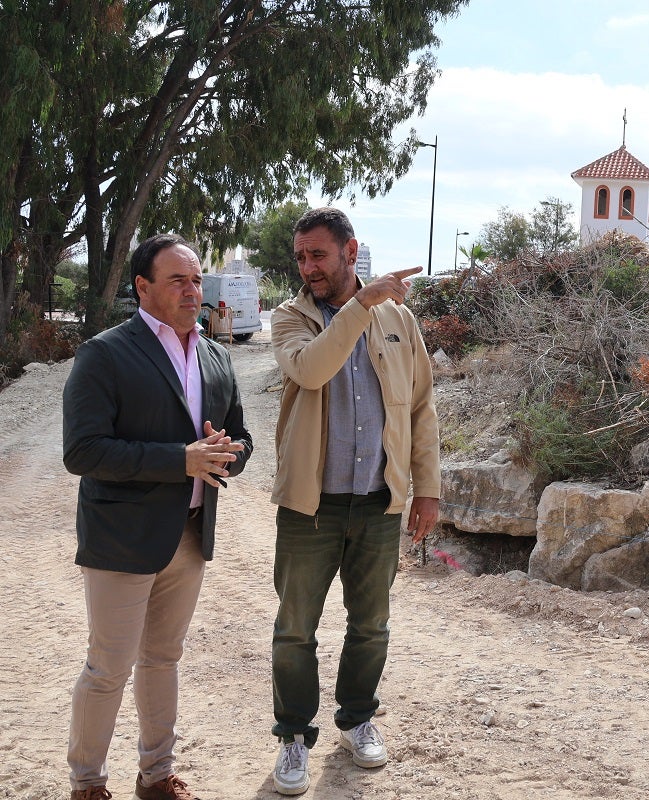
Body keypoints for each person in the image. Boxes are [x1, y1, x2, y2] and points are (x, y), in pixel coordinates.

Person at [63, 234, 253, 800]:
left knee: (163, 658)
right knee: (107, 668)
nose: (192, 290)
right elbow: (84, 451)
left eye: (196, 280)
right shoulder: (106, 353)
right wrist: (181, 459)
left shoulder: (217, 356)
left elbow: (240, 436)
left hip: (190, 536)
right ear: (143, 287)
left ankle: (155, 776)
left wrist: (227, 452)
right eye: (177, 280)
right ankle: (87, 784)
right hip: (122, 539)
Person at [269, 207, 440, 795]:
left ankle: (357, 720)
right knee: (295, 628)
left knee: (370, 625)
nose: (308, 267)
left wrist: (428, 490)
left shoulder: (398, 319)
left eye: (318, 254)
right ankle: (293, 733)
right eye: (300, 256)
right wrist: (360, 306)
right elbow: (313, 371)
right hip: (308, 506)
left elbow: (421, 409)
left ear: (349, 251)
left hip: (378, 504)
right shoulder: (289, 319)